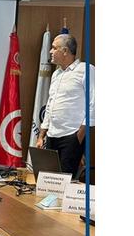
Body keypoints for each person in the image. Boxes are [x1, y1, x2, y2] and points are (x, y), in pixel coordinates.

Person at [36, 34, 95, 178]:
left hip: (71, 135)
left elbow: (95, 102)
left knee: (64, 180)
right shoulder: (56, 74)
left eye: (54, 48)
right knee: (49, 178)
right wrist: (41, 135)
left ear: (65, 51)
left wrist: (80, 135)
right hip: (52, 135)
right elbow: (50, 105)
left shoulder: (86, 70)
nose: (50, 51)